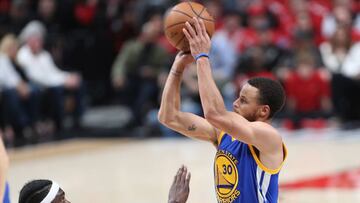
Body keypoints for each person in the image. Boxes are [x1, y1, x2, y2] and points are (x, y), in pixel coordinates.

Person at [158, 17, 287, 202]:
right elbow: (168, 117)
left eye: (243, 100)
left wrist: (202, 57)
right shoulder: (223, 134)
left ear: (263, 111)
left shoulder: (269, 137)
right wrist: (178, 67)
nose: (235, 103)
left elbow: (214, 114)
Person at [17, 21, 85, 132]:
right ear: (28, 40)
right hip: (37, 86)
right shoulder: (23, 55)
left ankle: (77, 118)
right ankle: (58, 122)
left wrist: (68, 77)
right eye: (35, 39)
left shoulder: (44, 54)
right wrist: (64, 82)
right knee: (57, 90)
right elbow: (36, 77)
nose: (39, 43)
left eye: (40, 40)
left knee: (78, 81)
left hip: (51, 83)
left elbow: (54, 72)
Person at [0, 34, 41, 146]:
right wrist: (19, 87)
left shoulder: (4, 59)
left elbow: (13, 77)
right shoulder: (4, 58)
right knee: (11, 95)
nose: (14, 50)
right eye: (11, 48)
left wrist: (22, 86)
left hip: (10, 88)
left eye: (15, 47)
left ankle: (31, 124)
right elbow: (4, 79)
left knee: (33, 91)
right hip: (6, 89)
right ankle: (21, 126)